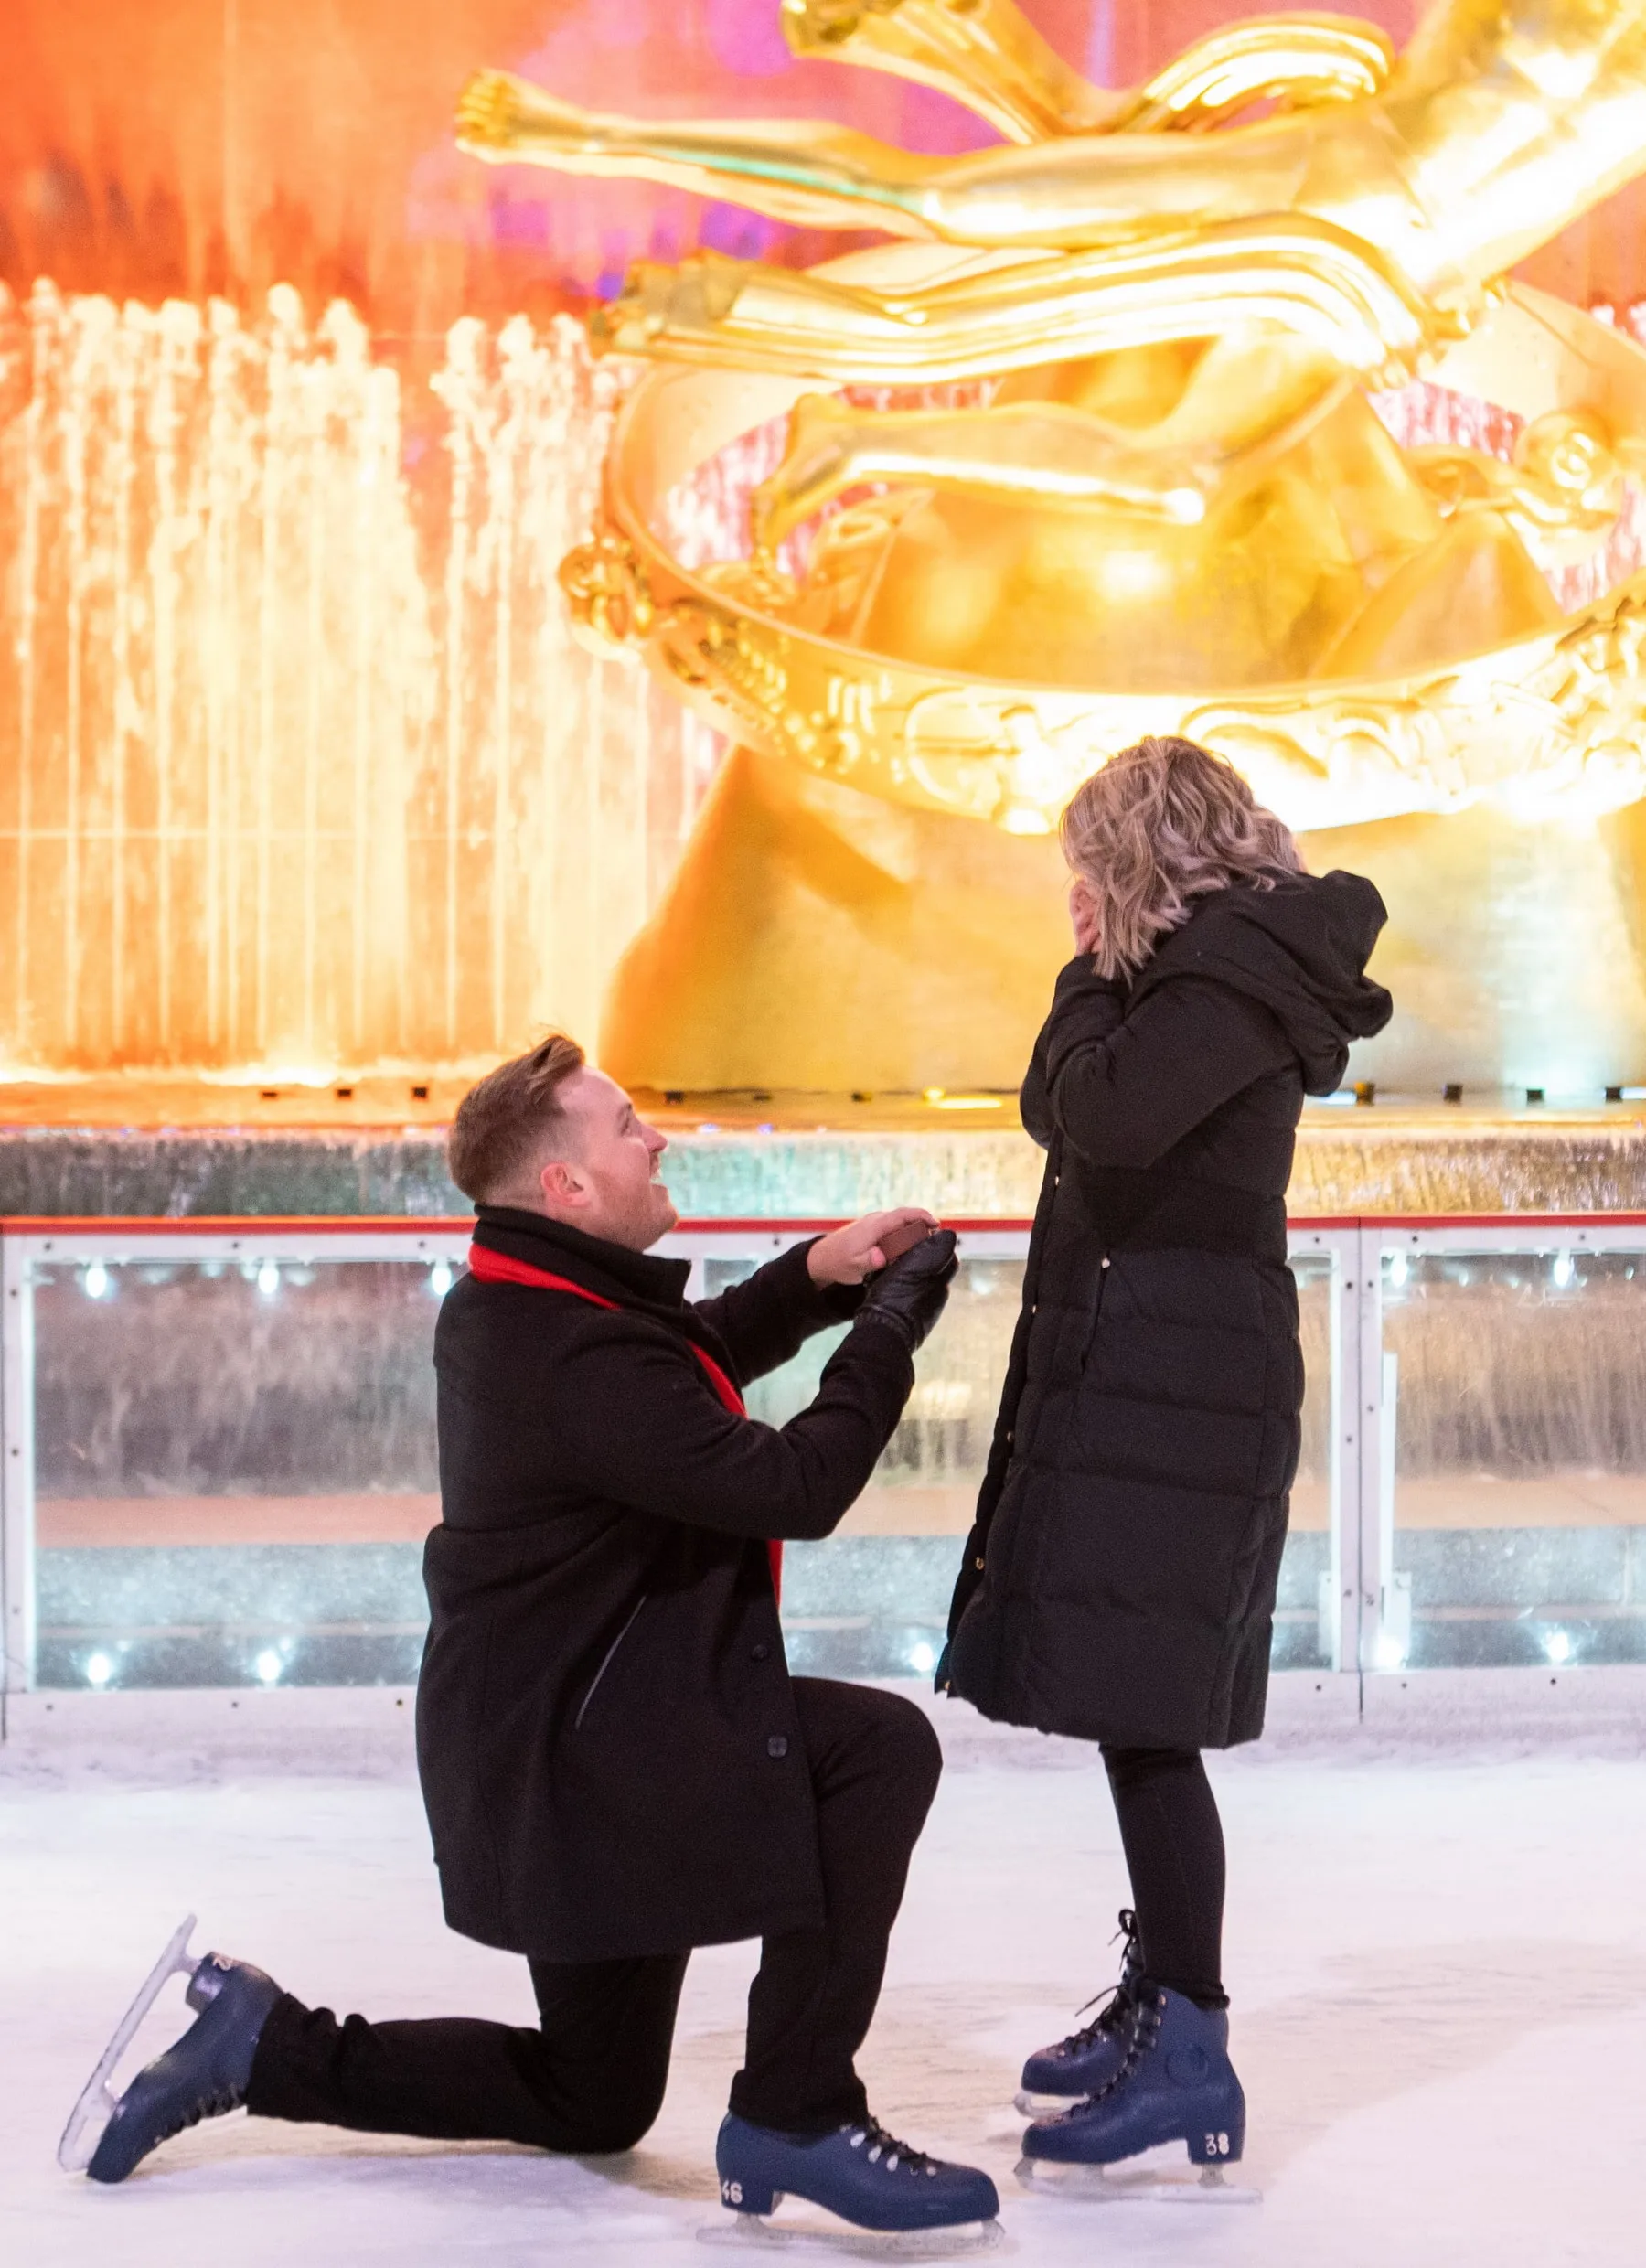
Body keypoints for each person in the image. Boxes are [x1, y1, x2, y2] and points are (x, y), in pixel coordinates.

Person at [70, 1036, 1000, 2241]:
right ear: (565, 1185)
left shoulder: (533, 1301)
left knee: (595, 2094)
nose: (655, 1138)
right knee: (874, 1750)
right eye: (626, 1128)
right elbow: (793, 1487)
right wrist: (887, 1328)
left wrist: (816, 1278)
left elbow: (680, 1367)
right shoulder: (565, 1350)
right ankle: (797, 2112)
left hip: (561, 1735)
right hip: (585, 1758)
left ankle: (263, 2046)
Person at [939, 735, 1393, 2181]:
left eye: (1088, 868)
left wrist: (1087, 969)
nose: (1076, 895)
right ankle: (1162, 2002)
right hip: (1155, 1368)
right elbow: (1061, 1108)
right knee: (1137, 1713)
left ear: (1132, 856)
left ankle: (1190, 2044)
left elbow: (1103, 1114)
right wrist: (1097, 979)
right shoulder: (1203, 973)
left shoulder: (1227, 978)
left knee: (1150, 1721)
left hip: (1178, 1381)